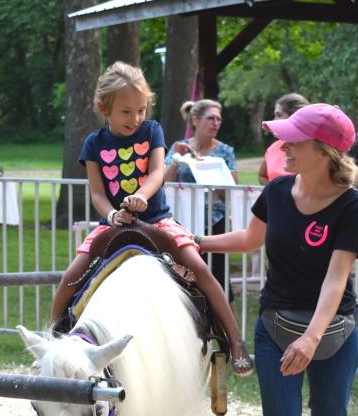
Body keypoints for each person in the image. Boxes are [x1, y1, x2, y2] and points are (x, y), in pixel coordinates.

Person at [200, 103, 358, 416]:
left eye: (294, 140)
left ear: (324, 151)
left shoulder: (353, 207)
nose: (283, 146)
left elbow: (336, 280)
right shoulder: (276, 191)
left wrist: (312, 338)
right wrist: (193, 240)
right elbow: (250, 239)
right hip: (275, 329)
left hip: (332, 335)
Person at [49, 61, 253, 376]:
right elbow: (98, 194)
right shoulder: (94, 143)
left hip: (156, 218)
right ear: (105, 107)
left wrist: (142, 196)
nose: (136, 118)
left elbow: (157, 171)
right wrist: (113, 214)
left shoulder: (152, 130)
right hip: (113, 223)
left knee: (198, 266)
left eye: (141, 110)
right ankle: (53, 341)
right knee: (71, 276)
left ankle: (233, 340)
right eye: (126, 112)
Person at [165, 99, 238, 299]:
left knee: (219, 278)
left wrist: (213, 174)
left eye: (218, 119)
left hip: (214, 220)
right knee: (182, 275)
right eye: (211, 118)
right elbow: (165, 181)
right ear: (195, 120)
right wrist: (176, 159)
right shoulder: (179, 147)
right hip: (183, 221)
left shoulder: (225, 151)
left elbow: (231, 190)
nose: (216, 123)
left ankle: (226, 328)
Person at [259, 93, 308, 185]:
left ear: (295, 116)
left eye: (279, 115)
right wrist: (274, 192)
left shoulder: (310, 149)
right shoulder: (273, 148)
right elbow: (262, 176)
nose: (274, 120)